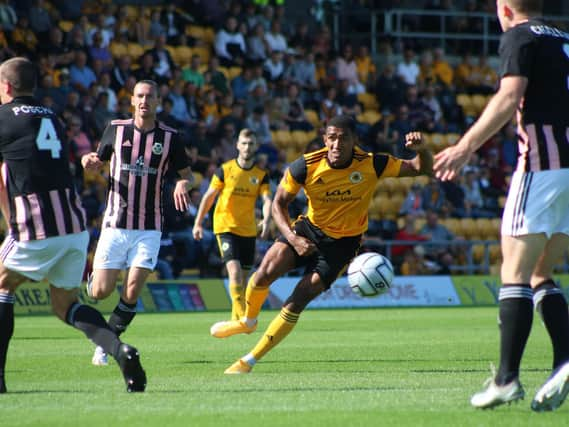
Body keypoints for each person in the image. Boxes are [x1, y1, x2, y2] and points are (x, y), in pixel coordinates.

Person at [209, 115, 433, 374]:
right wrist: (293, 238)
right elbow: (280, 203)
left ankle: (248, 360)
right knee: (263, 274)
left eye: (343, 138)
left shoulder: (373, 163)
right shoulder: (305, 166)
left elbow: (420, 168)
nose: (337, 144)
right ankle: (248, 321)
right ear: (325, 139)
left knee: (298, 298)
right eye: (332, 137)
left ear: (354, 140)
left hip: (343, 246)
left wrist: (423, 149)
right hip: (308, 230)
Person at [433, 0, 569, 412]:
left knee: (514, 271)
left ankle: (507, 380)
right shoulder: (563, 39)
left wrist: (464, 147)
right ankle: (564, 362)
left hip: (542, 166)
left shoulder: (518, 37)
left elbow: (509, 96)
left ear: (505, 9)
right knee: (542, 273)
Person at [0, 57, 145, 393]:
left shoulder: (3, 117)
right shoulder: (53, 116)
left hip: (34, 223)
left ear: (7, 87)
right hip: (74, 225)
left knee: (3, 287)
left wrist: (10, 220)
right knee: (64, 305)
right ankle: (118, 349)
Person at [81, 80, 193, 367]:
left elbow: (186, 174)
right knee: (100, 293)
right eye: (140, 96)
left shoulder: (170, 137)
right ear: (132, 100)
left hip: (149, 226)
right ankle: (94, 281)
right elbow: (96, 158)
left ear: (158, 102)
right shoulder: (116, 129)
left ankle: (104, 347)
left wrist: (182, 184)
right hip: (115, 223)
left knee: (131, 291)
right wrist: (88, 160)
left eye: (150, 97)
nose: (145, 101)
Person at [193, 128, 272, 321]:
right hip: (225, 227)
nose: (247, 147)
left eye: (251, 143)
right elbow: (209, 197)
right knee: (234, 272)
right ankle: (242, 318)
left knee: (245, 278)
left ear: (256, 146)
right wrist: (198, 223)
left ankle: (236, 319)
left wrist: (267, 220)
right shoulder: (225, 169)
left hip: (248, 230)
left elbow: (268, 200)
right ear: (237, 145)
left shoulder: (261, 174)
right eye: (244, 143)